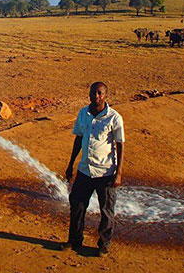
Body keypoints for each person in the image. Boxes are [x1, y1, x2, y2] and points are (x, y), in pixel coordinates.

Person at [61, 82, 124, 256]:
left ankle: (104, 244)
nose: (95, 96)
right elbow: (78, 139)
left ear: (106, 96)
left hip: (106, 172)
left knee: (106, 210)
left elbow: (120, 146)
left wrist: (118, 173)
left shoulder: (114, 117)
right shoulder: (83, 113)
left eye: (99, 93)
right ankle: (74, 240)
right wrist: (70, 164)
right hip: (85, 170)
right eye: (93, 92)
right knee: (77, 204)